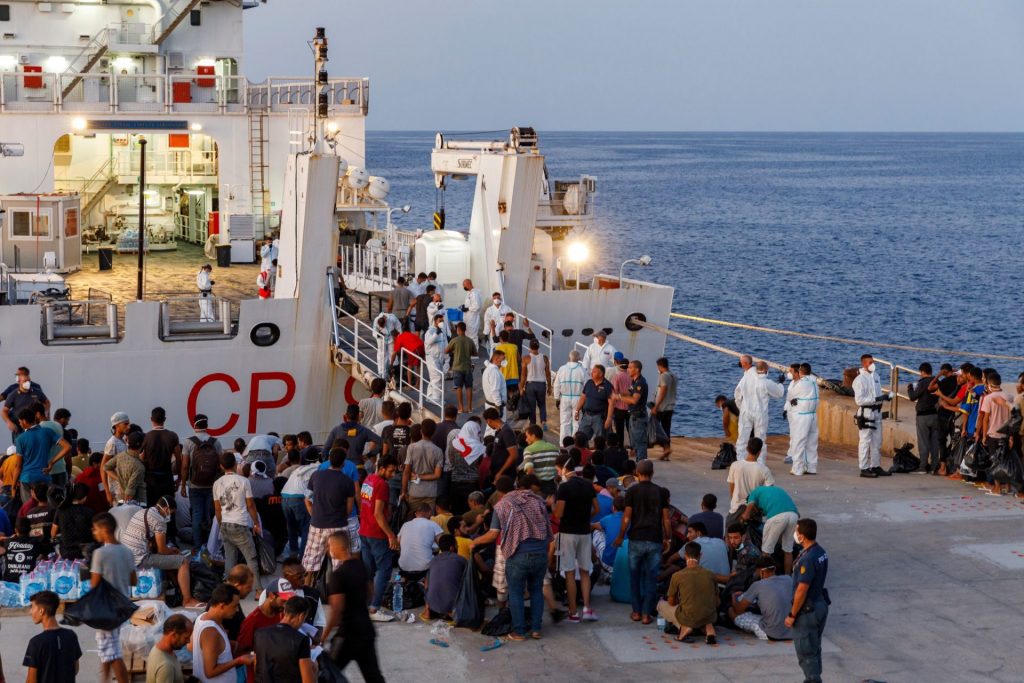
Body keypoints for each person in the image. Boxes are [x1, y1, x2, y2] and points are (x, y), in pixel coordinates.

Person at [471, 478, 553, 641]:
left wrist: (475, 542)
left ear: (499, 492)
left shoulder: (502, 506)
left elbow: (493, 534)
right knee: (536, 591)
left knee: (515, 593)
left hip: (518, 556)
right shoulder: (536, 500)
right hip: (540, 553)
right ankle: (536, 629)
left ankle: (519, 632)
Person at [613, 460, 671, 625]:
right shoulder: (660, 492)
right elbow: (666, 519)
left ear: (637, 473)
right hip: (654, 539)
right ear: (652, 473)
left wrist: (620, 536)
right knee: (651, 578)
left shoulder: (632, 492)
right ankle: (647, 614)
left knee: (635, 577)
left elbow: (627, 517)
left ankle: (636, 612)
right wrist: (668, 537)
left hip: (636, 538)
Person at [324, 531, 385, 683]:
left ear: (338, 547)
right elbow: (371, 591)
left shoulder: (338, 575)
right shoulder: (360, 565)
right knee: (373, 676)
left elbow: (337, 610)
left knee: (328, 673)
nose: (328, 549)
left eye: (329, 545)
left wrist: (324, 636)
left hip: (348, 635)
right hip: (366, 631)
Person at [121, 496, 203, 607]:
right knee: (182, 561)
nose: (170, 516)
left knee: (170, 558)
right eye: (171, 513)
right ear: (166, 509)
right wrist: (172, 551)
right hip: (139, 558)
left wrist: (170, 551)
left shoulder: (143, 511)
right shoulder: (159, 520)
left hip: (126, 555)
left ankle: (177, 589)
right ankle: (187, 600)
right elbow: (162, 550)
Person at [90, 512, 137, 683]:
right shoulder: (127, 551)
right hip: (123, 606)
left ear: (104, 529)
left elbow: (94, 585)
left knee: (113, 653)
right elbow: (134, 580)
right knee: (108, 649)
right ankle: (105, 679)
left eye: (95, 529)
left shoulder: (100, 554)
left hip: (106, 608)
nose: (94, 533)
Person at [554, 456, 600, 622]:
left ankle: (573, 612)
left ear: (563, 469)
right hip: (585, 532)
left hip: (568, 532)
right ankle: (587, 608)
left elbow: (558, 513)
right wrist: (585, 517)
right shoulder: (588, 485)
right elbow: (597, 508)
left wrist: (553, 505)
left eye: (558, 470)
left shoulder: (564, 487)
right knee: (585, 570)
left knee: (569, 573)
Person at [785, 519, 830, 683]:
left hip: (807, 611)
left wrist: (792, 614)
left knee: (806, 652)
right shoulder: (820, 552)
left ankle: (813, 679)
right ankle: (814, 676)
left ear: (802, 536)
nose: (795, 534)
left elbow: (801, 590)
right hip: (820, 605)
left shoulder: (807, 559)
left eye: (796, 531)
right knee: (814, 646)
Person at [302, 448, 355, 577]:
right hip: (338, 526)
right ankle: (338, 592)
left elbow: (307, 499)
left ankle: (306, 591)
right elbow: (349, 508)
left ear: (329, 460)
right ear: (344, 463)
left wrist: (314, 514)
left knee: (310, 563)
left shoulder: (316, 476)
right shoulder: (347, 481)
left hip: (317, 524)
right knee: (340, 565)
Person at [358, 455, 399, 619]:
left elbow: (364, 505)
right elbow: (378, 513)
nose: (393, 475)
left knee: (369, 571)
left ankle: (368, 603)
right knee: (384, 570)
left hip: (364, 531)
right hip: (377, 533)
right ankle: (374, 607)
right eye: (391, 471)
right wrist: (391, 536)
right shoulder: (382, 485)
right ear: (381, 468)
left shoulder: (368, 479)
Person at [213, 452, 261, 581]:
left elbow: (217, 508)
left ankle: (229, 586)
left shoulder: (217, 483)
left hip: (225, 525)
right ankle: (258, 590)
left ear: (221, 466)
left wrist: (221, 524)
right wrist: (256, 523)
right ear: (235, 464)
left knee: (230, 558)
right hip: (240, 524)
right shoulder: (244, 481)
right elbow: (250, 505)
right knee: (251, 558)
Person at [657, 542, 719, 644]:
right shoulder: (711, 574)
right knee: (702, 610)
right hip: (709, 616)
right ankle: (708, 628)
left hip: (688, 616)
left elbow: (671, 602)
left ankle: (685, 627)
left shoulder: (677, 575)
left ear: (685, 555)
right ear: (700, 555)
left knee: (661, 605)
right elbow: (717, 601)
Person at [193, 584, 253, 683]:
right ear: (222, 606)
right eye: (234, 606)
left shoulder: (203, 617)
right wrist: (239, 660)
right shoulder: (211, 632)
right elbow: (210, 672)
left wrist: (228, 644)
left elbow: (198, 646)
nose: (237, 610)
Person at [238, 578, 294, 683]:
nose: (286, 605)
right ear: (272, 596)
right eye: (283, 601)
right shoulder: (252, 620)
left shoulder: (282, 614)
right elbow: (241, 650)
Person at [180, 415, 224, 548]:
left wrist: (183, 485)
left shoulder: (188, 442)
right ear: (207, 425)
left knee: (197, 514)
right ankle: (210, 544)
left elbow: (185, 466)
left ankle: (197, 546)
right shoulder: (215, 442)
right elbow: (222, 464)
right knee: (210, 513)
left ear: (195, 425)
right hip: (212, 485)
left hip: (195, 484)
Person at [731, 555, 795, 641]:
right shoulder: (788, 579)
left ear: (761, 572)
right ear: (774, 569)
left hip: (771, 633)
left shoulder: (757, 585)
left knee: (732, 612)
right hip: (792, 631)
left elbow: (738, 610)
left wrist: (733, 597)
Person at [24, 590, 82, 683]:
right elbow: (75, 669)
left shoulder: (36, 642)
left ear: (41, 611)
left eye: (32, 607)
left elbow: (31, 680)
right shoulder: (71, 636)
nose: (30, 612)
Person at [253, 596, 316, 683]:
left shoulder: (260, 633)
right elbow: (308, 680)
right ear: (301, 616)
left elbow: (257, 666)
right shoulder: (301, 640)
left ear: (285, 611)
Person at [741, 484, 799, 574]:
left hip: (777, 517)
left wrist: (742, 519)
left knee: (766, 552)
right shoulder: (773, 490)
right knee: (788, 550)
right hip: (793, 515)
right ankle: (788, 578)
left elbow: (746, 515)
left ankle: (767, 578)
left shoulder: (753, 494)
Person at [736, 360, 785, 465]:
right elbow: (779, 393)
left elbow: (737, 394)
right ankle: (760, 463)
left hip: (745, 411)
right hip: (760, 413)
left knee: (742, 437)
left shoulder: (745, 379)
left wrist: (741, 407)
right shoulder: (766, 383)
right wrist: (781, 383)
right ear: (766, 369)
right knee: (760, 437)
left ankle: (740, 461)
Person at [14, 408, 67, 502]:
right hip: (44, 476)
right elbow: (67, 447)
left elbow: (18, 466)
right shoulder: (47, 432)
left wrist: (13, 486)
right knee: (47, 505)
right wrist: (52, 462)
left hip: (27, 478)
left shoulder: (20, 439)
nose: (20, 424)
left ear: (24, 421)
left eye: (20, 421)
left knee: (29, 508)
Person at [853, 354, 893, 478]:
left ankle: (875, 465)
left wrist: (884, 398)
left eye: (873, 362)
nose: (872, 364)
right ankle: (864, 468)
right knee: (865, 441)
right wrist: (876, 399)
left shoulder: (876, 376)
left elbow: (878, 393)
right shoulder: (859, 380)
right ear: (863, 364)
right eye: (870, 362)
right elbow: (859, 400)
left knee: (877, 441)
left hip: (876, 412)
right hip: (866, 413)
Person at [727, 437, 775, 524]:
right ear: (760, 452)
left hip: (736, 508)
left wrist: (734, 501)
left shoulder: (735, 465)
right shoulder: (764, 469)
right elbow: (770, 492)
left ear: (747, 448)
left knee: (731, 535)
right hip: (754, 510)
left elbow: (731, 489)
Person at [281, 449, 320, 557]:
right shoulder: (318, 468)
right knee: (305, 528)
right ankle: (303, 557)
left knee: (291, 527)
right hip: (298, 498)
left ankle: (293, 554)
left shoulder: (300, 469)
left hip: (284, 497)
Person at [904, 362, 941, 474]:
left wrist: (910, 388)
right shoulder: (937, 382)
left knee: (924, 442)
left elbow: (912, 397)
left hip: (923, 417)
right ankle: (934, 467)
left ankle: (923, 467)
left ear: (922, 372)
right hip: (935, 415)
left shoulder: (923, 383)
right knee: (935, 443)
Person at [401, 419, 444, 512]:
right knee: (428, 520)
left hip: (414, 491)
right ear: (433, 433)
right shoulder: (438, 451)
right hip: (430, 493)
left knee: (413, 519)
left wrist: (404, 491)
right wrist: (420, 476)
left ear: (421, 431)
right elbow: (437, 475)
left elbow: (406, 472)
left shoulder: (412, 447)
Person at [142, 407, 180, 506]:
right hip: (167, 478)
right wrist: (179, 478)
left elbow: (141, 458)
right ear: (165, 419)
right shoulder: (172, 436)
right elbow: (178, 458)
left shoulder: (146, 437)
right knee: (168, 508)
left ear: (151, 419)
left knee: (152, 510)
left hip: (150, 480)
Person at [423, 534, 468, 620]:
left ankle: (427, 610)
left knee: (425, 582)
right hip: (453, 605)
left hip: (433, 605)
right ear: (452, 548)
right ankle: (451, 612)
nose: (458, 546)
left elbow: (427, 584)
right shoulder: (461, 560)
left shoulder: (433, 561)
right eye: (456, 545)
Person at [2, 367, 49, 445]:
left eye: (28, 381)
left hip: (34, 426)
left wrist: (45, 412)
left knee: (35, 445)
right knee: (19, 447)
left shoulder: (36, 391)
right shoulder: (13, 394)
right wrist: (9, 422)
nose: (27, 383)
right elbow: (4, 410)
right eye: (25, 381)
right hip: (19, 426)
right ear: (19, 382)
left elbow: (47, 402)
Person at [615, 360, 651, 461]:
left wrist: (618, 397)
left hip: (638, 416)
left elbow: (634, 400)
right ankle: (639, 464)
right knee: (635, 442)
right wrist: (619, 394)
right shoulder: (634, 381)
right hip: (633, 415)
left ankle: (642, 465)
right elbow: (629, 394)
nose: (628, 369)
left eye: (630, 368)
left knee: (640, 443)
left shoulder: (640, 383)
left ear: (637, 370)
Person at [51, 482, 94, 560]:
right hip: (84, 552)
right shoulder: (89, 511)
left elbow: (53, 533)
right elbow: (94, 533)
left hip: (65, 552)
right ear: (84, 497)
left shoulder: (60, 510)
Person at [397, 503, 443, 575]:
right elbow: (443, 544)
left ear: (416, 514)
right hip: (425, 567)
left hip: (404, 566)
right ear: (429, 512)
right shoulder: (432, 524)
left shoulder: (405, 525)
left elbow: (398, 544)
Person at [146, 614, 193, 683]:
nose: (189, 641)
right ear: (174, 635)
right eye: (186, 637)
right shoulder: (166, 666)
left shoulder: (157, 649)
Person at [104, 430, 147, 506]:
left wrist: (119, 479)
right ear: (141, 444)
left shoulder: (121, 456)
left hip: (120, 497)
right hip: (137, 502)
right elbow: (129, 493)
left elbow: (106, 467)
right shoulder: (139, 467)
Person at [553, 350, 586, 441]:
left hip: (564, 398)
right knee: (577, 422)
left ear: (569, 358)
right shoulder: (582, 370)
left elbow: (556, 385)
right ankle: (575, 442)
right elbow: (586, 386)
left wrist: (557, 398)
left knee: (564, 422)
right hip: (578, 399)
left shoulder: (562, 369)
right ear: (579, 359)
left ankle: (563, 444)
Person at [575, 365, 614, 441]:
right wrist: (577, 410)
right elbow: (583, 397)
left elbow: (611, 404)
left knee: (600, 440)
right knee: (580, 438)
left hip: (599, 418)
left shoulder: (607, 386)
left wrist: (609, 418)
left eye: (594, 371)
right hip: (586, 416)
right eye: (592, 371)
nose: (591, 373)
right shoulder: (589, 383)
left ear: (601, 374)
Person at [445, 322, 477, 413]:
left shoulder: (454, 340)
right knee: (469, 387)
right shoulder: (470, 341)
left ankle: (461, 408)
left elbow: (446, 351)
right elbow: (475, 353)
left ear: (458, 330)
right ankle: (470, 408)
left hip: (457, 368)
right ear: (465, 329)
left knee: (458, 387)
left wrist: (454, 350)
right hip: (467, 367)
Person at [520, 424, 559, 495]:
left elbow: (530, 470)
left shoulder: (528, 450)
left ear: (533, 436)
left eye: (527, 436)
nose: (526, 439)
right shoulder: (555, 448)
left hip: (538, 486)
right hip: (553, 485)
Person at [521, 339, 552, 428]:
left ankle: (533, 424)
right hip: (542, 384)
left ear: (530, 347)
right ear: (538, 347)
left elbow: (523, 375)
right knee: (542, 404)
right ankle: (543, 422)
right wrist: (549, 387)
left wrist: (521, 388)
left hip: (530, 385)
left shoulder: (526, 358)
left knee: (532, 406)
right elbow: (548, 374)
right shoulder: (545, 358)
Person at [483, 407, 519, 482]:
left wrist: (500, 472)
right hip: (499, 473)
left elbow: (514, 455)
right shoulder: (500, 431)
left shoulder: (506, 432)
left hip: (505, 475)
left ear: (489, 421)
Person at [1, 517, 42, 582]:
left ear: (15, 530)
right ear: (30, 529)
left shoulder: (7, 542)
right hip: (27, 582)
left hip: (10, 583)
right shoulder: (36, 542)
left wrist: (6, 538)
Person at [652, 357, 677, 460]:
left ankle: (665, 448)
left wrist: (656, 406)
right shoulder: (674, 376)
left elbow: (663, 391)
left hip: (662, 407)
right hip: (670, 406)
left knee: (655, 428)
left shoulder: (663, 376)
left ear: (660, 366)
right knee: (666, 429)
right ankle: (667, 450)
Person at [424, 313, 448, 403]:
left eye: (442, 321)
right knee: (437, 377)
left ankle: (430, 396)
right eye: (440, 321)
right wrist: (436, 333)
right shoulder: (429, 332)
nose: (441, 322)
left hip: (440, 357)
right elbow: (429, 341)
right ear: (435, 322)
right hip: (431, 358)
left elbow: (444, 343)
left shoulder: (442, 331)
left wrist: (447, 355)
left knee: (434, 378)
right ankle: (436, 399)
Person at [372, 312, 402, 379]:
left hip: (391, 339)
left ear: (385, 321)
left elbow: (399, 327)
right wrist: (379, 335)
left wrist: (399, 339)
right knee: (382, 355)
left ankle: (394, 372)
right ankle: (381, 373)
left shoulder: (392, 318)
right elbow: (374, 332)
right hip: (381, 339)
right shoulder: (376, 321)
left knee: (392, 354)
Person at [482, 350, 508, 417]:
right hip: (495, 406)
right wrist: (499, 407)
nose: (504, 361)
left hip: (491, 404)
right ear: (496, 359)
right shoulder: (494, 372)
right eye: (503, 359)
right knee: (498, 426)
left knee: (491, 427)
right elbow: (495, 390)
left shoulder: (489, 369)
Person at [460, 278, 484, 343]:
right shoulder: (470, 293)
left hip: (473, 319)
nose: (463, 287)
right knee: (468, 335)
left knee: (473, 337)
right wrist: (464, 306)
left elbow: (477, 306)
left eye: (464, 285)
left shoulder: (474, 294)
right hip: (469, 318)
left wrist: (467, 308)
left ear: (469, 284)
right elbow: (470, 304)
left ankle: (475, 351)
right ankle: (470, 351)